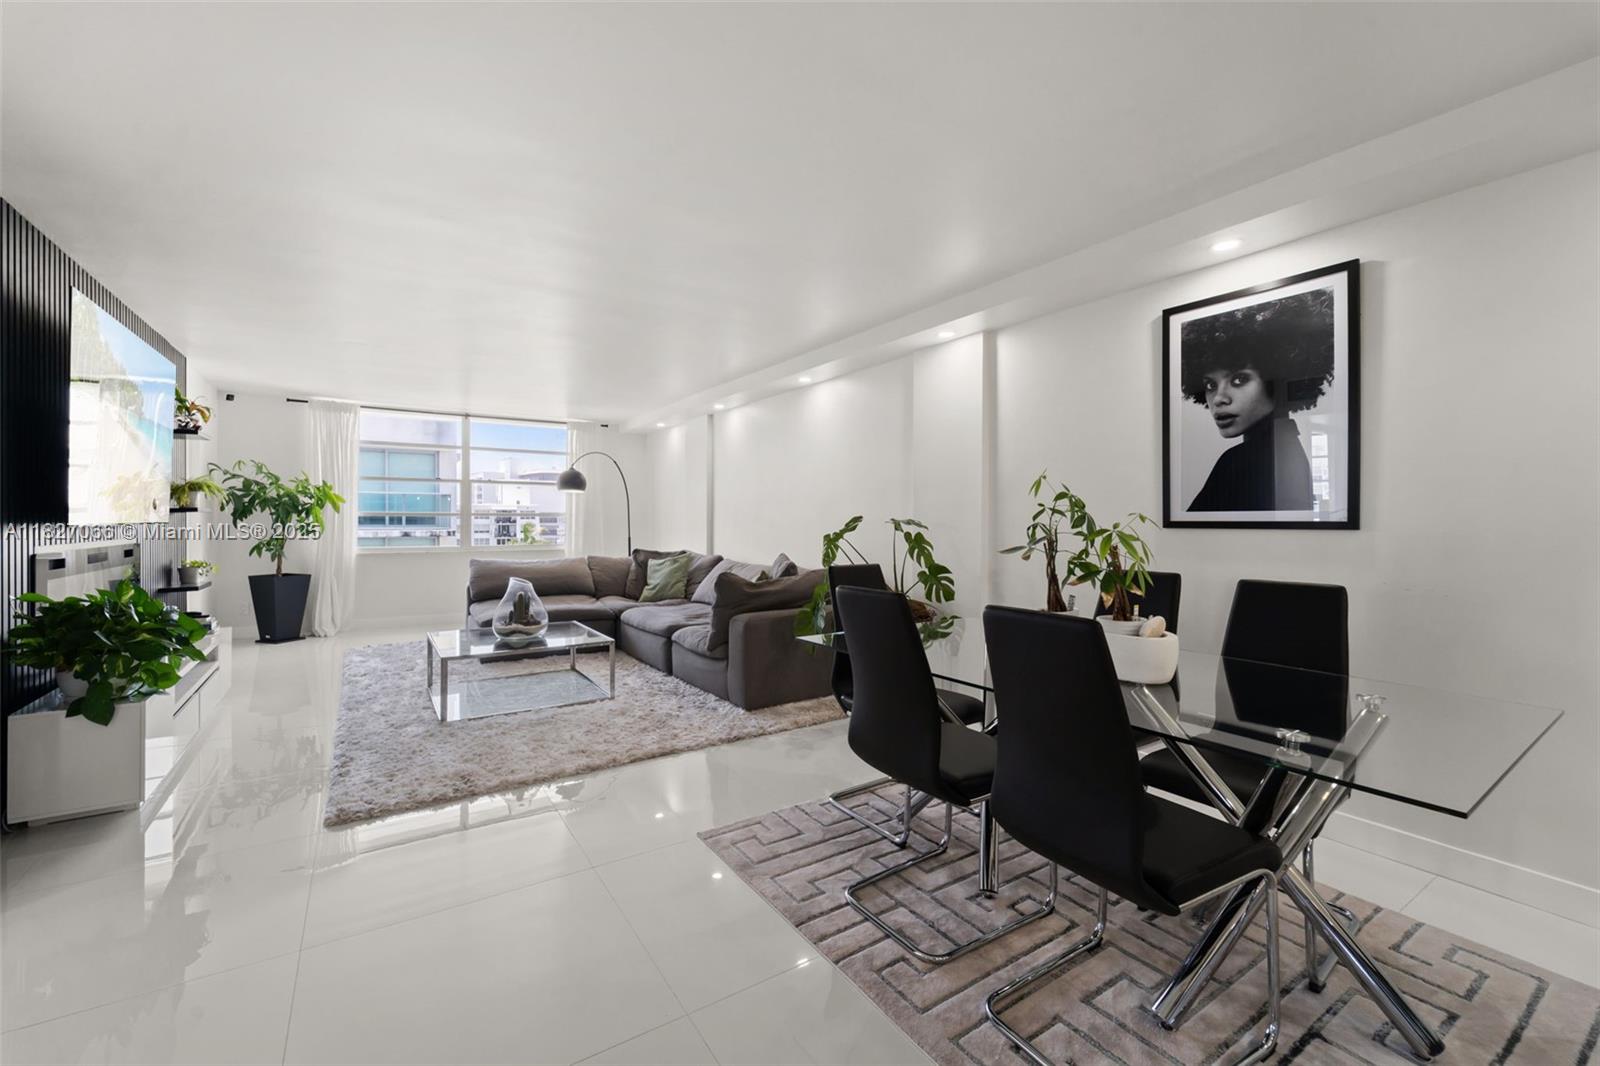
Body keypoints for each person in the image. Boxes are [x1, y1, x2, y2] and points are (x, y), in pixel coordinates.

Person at [1181, 288, 1335, 512]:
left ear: (1275, 380)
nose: (1219, 399)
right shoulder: (1286, 452)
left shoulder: (1241, 461)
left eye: (1239, 379)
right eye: (1210, 385)